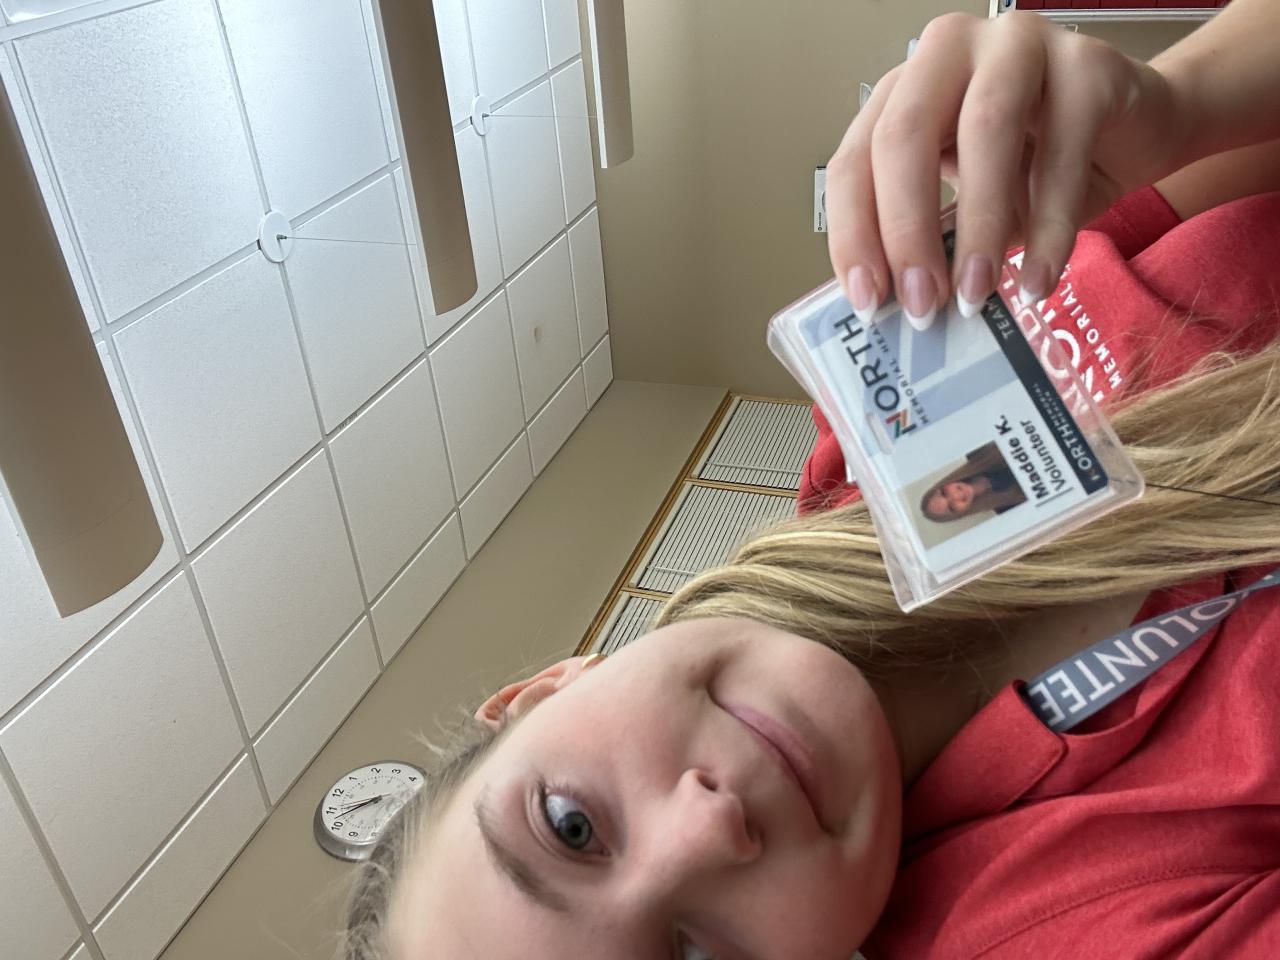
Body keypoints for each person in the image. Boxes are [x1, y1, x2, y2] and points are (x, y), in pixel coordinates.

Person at [342, 4, 1280, 958]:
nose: (708, 828)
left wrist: (1184, 104)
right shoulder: (1072, 931)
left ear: (546, 691)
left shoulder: (883, 406)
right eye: (691, 956)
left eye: (571, 825)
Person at [919, 444, 1027, 522]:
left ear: (944, 483)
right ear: (960, 514)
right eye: (952, 507)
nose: (956, 496)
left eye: (944, 493)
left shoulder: (977, 451)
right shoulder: (1007, 508)